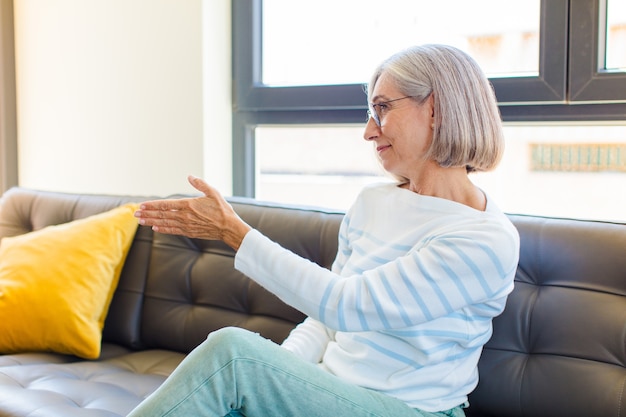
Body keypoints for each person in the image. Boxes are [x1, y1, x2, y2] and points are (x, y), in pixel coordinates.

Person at [129, 44, 520, 417]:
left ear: (434, 109)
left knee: (232, 353)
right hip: (331, 394)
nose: (369, 131)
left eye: (382, 108)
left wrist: (234, 232)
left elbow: (347, 305)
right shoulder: (372, 202)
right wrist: (273, 384)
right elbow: (324, 320)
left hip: (410, 409)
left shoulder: (484, 239)